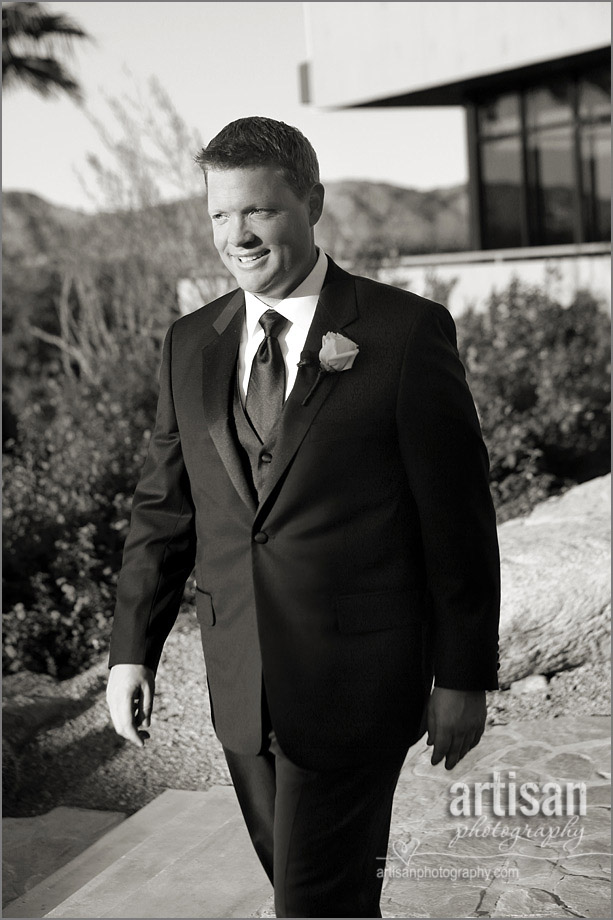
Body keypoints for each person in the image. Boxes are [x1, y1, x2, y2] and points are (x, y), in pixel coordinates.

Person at [106, 116, 500, 918]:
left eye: (258, 211)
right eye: (219, 214)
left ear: (310, 203)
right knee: (320, 886)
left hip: (358, 681)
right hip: (240, 682)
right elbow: (164, 508)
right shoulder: (191, 342)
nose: (236, 235)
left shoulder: (400, 333)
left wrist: (462, 674)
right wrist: (129, 651)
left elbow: (457, 520)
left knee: (311, 900)